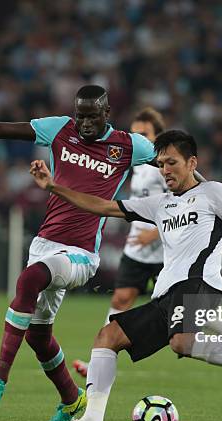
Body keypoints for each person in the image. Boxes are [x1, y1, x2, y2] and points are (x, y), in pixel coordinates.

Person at [29, 130, 222, 421]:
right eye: (161, 164)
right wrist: (54, 187)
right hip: (166, 295)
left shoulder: (214, 193)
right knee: (107, 337)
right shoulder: (159, 204)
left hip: (199, 285)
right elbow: (103, 206)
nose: (165, 170)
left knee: (181, 341)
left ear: (192, 163)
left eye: (172, 162)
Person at [0, 71, 157, 421]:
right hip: (45, 244)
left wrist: (207, 192)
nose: (83, 123)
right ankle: (70, 399)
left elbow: (171, 160)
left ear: (107, 112)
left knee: (30, 279)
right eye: (79, 115)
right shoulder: (59, 129)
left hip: (81, 255)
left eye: (91, 116)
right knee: (37, 334)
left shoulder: (129, 146)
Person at [73, 107, 167, 378]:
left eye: (145, 134)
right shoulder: (136, 166)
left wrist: (156, 231)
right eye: (136, 134)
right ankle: (99, 361)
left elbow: (180, 205)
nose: (139, 139)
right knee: (121, 298)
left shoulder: (164, 167)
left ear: (157, 137)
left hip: (166, 251)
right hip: (137, 249)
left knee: (180, 307)